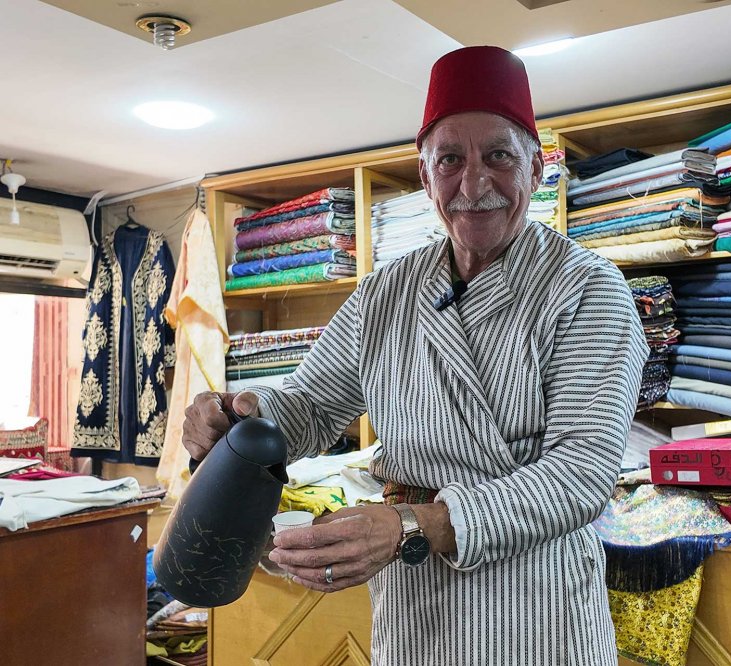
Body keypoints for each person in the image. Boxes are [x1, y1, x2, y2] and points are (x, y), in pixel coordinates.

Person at [182, 45, 647, 665]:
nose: (474, 183)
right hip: (413, 608)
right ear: (425, 177)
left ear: (536, 170)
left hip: (538, 606)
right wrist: (235, 419)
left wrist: (409, 527)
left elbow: (580, 474)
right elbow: (312, 404)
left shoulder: (588, 288)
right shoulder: (386, 291)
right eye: (450, 159)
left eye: (500, 156)